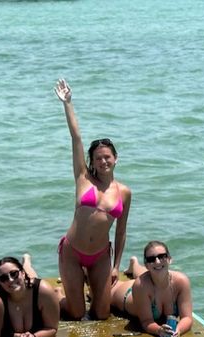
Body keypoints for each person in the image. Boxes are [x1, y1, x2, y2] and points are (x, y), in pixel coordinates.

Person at [54, 78, 132, 320]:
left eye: (107, 157)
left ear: (116, 158)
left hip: (100, 255)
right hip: (73, 251)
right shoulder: (83, 178)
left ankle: (89, 288)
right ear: (92, 161)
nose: (103, 161)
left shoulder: (124, 192)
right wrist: (68, 103)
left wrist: (117, 266)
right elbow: (76, 138)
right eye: (98, 158)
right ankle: (55, 295)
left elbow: (120, 231)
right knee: (76, 313)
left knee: (102, 315)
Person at [111, 241, 193, 337]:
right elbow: (146, 321)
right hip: (127, 294)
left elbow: (187, 318)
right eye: (151, 259)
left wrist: (178, 330)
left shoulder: (181, 281)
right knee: (98, 293)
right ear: (146, 264)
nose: (157, 261)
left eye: (162, 256)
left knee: (155, 272)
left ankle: (134, 264)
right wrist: (159, 330)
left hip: (149, 280)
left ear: (169, 259)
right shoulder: (140, 285)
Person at [0, 255, 60, 337]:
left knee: (31, 279)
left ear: (23, 273)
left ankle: (26, 261)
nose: (10, 280)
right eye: (3, 278)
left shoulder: (43, 291)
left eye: (14, 273)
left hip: (28, 285)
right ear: (0, 283)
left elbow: (52, 328)